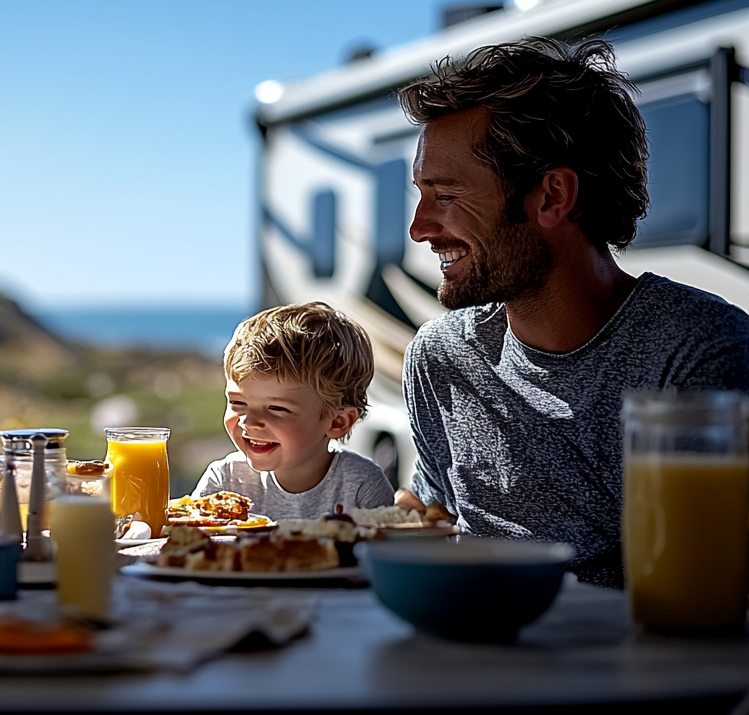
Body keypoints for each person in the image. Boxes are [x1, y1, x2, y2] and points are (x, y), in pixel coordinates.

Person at [395, 37, 749, 587]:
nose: (419, 228)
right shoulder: (442, 359)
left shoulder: (698, 355)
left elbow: (705, 597)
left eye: (445, 196)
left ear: (552, 196)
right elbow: (434, 518)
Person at [191, 302, 394, 518]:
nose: (248, 422)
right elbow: (187, 542)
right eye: (238, 403)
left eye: (276, 408)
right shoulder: (224, 480)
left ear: (337, 422)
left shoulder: (362, 486)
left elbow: (385, 548)